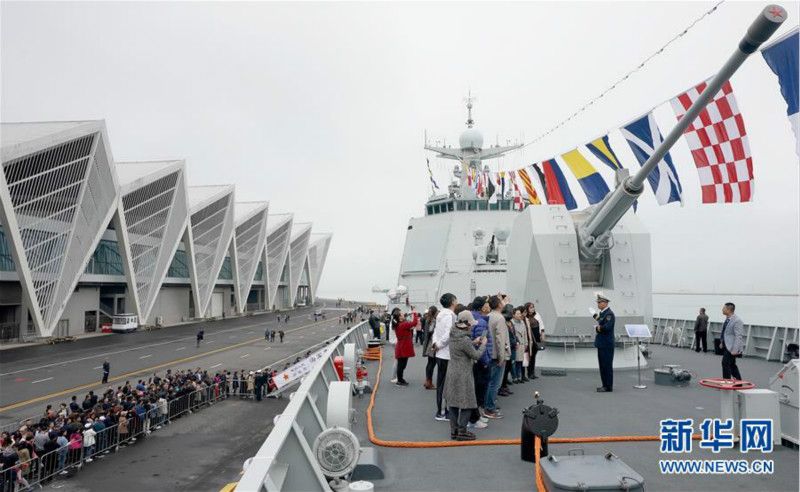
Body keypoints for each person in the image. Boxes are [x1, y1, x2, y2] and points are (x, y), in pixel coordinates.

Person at [444, 311, 488, 441]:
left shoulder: (454, 335)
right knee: (467, 403)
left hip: (452, 371)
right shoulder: (464, 340)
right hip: (463, 374)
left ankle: (454, 431)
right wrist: (483, 345)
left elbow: (462, 349)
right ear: (467, 325)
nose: (472, 327)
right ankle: (462, 431)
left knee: (453, 403)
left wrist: (473, 343)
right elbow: (476, 355)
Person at [432, 293, 457, 421]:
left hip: (440, 353)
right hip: (447, 353)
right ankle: (442, 412)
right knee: (445, 384)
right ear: (453, 301)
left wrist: (435, 344)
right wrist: (440, 344)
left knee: (441, 382)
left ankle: (442, 411)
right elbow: (449, 332)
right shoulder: (451, 315)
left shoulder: (440, 314)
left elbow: (436, 331)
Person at [484, 296, 509, 419]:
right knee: (495, 383)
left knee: (489, 382)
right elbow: (500, 339)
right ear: (499, 305)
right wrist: (501, 357)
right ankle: (490, 409)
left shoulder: (488, 316)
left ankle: (488, 404)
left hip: (488, 353)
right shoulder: (500, 318)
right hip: (496, 355)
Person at [470, 297, 492, 429]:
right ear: (482, 308)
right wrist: (485, 360)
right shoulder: (481, 322)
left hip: (476, 360)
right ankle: (475, 419)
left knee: (477, 389)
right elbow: (481, 344)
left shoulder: (475, 320)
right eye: (486, 304)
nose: (488, 306)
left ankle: (477, 416)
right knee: (479, 389)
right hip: (481, 360)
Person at [593, 294, 615, 392]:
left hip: (606, 344)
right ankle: (604, 384)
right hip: (602, 344)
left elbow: (607, 327)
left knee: (607, 366)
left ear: (605, 303)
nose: (598, 304)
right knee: (602, 366)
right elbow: (601, 321)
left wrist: (598, 328)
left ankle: (608, 386)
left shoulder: (609, 314)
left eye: (599, 302)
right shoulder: (602, 314)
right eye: (597, 302)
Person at [719, 302, 744, 380]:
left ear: (729, 310)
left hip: (732, 347)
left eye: (724, 308)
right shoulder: (727, 319)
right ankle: (738, 382)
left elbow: (738, 336)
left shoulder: (737, 320)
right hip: (727, 345)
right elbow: (725, 332)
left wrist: (735, 349)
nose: (722, 310)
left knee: (725, 363)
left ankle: (726, 382)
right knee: (732, 364)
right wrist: (722, 342)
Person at [394, 309, 418, 386]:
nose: (404, 315)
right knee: (402, 364)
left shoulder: (399, 324)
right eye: (402, 314)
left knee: (401, 364)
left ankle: (400, 379)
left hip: (402, 345)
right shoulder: (403, 325)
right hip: (404, 346)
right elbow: (415, 322)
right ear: (399, 317)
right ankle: (400, 380)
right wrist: (414, 313)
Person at [421, 306, 439, 390]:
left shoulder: (428, 319)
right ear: (435, 312)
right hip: (433, 343)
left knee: (429, 363)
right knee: (432, 363)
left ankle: (427, 381)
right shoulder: (433, 320)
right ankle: (429, 382)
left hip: (429, 343)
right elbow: (431, 330)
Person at [511, 307, 528, 384]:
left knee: (520, 362)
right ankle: (514, 377)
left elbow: (525, 334)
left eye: (519, 314)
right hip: (516, 344)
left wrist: (526, 343)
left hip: (522, 344)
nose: (519, 315)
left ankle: (519, 376)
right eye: (517, 314)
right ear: (513, 315)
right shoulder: (511, 323)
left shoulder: (522, 322)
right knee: (514, 362)